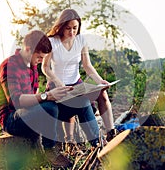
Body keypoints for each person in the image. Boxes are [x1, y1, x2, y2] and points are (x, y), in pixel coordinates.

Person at [0, 30, 99, 168]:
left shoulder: (32, 66)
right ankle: (50, 149)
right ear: (28, 49)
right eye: (39, 57)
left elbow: (35, 96)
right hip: (12, 119)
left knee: (82, 102)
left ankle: (98, 146)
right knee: (49, 108)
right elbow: (17, 101)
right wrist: (47, 96)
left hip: (32, 112)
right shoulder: (9, 65)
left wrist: (62, 95)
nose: (40, 61)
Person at [42, 9, 117, 151]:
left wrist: (100, 81)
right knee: (80, 104)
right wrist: (59, 83)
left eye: (75, 28)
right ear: (61, 27)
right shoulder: (52, 42)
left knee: (102, 93)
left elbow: (87, 65)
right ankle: (93, 143)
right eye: (68, 28)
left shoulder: (81, 40)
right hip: (58, 85)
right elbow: (45, 68)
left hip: (77, 83)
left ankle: (111, 133)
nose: (72, 32)